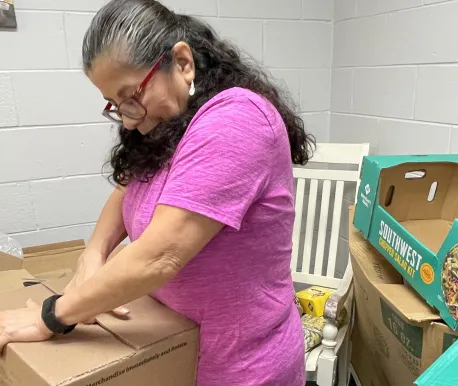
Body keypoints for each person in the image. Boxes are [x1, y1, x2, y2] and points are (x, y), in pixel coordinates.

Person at [0, 0, 315, 385]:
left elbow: (160, 255)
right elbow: (128, 189)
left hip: (242, 366)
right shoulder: (170, 127)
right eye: (116, 104)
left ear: (182, 62)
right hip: (175, 353)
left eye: (132, 95)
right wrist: (93, 254)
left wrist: (51, 316)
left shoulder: (237, 119)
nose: (129, 119)